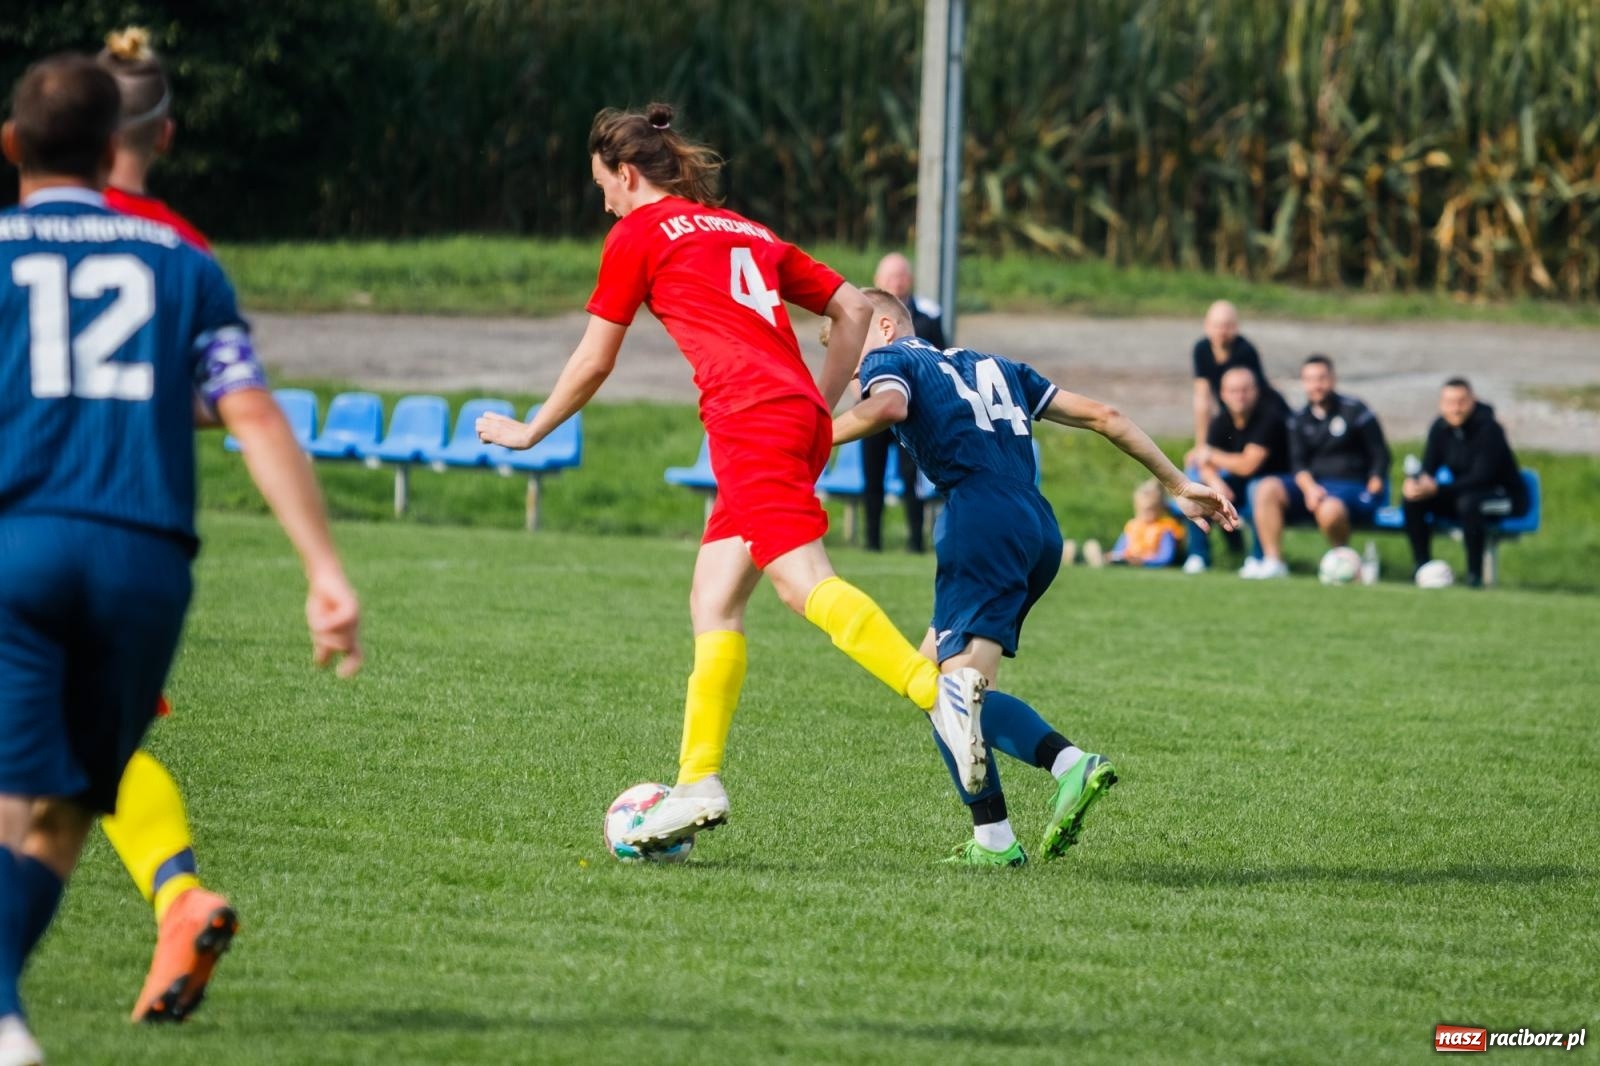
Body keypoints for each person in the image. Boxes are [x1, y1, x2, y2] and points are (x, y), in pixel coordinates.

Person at [475, 103, 984, 853]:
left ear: (624, 173)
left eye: (602, 186)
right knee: (713, 597)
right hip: (791, 416)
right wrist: (821, 396)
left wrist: (531, 428)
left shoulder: (637, 234)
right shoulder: (744, 228)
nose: (604, 202)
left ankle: (936, 692)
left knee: (799, 581)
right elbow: (851, 308)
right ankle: (698, 781)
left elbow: (594, 360)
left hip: (749, 417)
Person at [0, 54, 362, 1064]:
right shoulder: (183, 258)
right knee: (71, 805)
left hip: (20, 538)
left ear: (14, 145)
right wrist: (324, 570)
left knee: (11, 797)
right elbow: (243, 405)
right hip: (142, 555)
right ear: (147, 140)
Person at [832, 288, 1238, 865]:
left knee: (957, 697)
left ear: (887, 328)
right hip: (1036, 525)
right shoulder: (995, 365)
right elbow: (1107, 416)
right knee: (927, 680)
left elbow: (887, 408)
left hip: (979, 519)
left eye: (848, 348)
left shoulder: (888, 360)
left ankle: (1065, 770)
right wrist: (1177, 484)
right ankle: (994, 835)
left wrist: (807, 440)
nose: (851, 369)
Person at [93, 26, 239, 1024]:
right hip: (142, 535)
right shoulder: (186, 248)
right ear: (167, 133)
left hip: (27, 519)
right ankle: (180, 896)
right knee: (88, 749)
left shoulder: (27, 228)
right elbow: (222, 398)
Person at [1250, 355, 1390, 579]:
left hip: (1352, 487)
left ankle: (1343, 563)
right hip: (1316, 488)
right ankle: (1274, 562)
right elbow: (1298, 463)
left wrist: (1376, 478)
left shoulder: (1355, 410)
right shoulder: (1298, 419)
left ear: (1332, 379)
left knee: (1329, 510)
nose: (1317, 385)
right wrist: (1310, 489)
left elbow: (1380, 453)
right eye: (1310, 379)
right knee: (1266, 487)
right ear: (1304, 383)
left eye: (1322, 378)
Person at [1403, 378, 1528, 588]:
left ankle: (1474, 576)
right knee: (1414, 500)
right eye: (1450, 403)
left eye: (1461, 402)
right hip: (1462, 495)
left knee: (1470, 504)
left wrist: (1438, 489)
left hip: (1503, 497)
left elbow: (1482, 477)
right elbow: (1428, 468)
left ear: (1473, 401)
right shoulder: (1439, 428)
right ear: (1441, 404)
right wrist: (1417, 484)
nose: (1456, 409)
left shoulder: (1489, 429)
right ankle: (1422, 567)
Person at [859, 252, 943, 552]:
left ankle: (916, 542)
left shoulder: (928, 317)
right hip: (874, 407)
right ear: (877, 280)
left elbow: (939, 360)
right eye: (891, 276)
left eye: (902, 275)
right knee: (872, 477)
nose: (898, 281)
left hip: (913, 412)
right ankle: (872, 542)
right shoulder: (861, 315)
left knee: (912, 477)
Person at [1184, 366, 1290, 574]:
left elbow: (1247, 465)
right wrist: (1215, 482)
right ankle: (1197, 556)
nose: (1239, 396)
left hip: (1273, 484)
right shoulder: (1221, 421)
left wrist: (1212, 454)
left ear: (1256, 391)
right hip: (1234, 484)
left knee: (1257, 489)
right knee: (1196, 483)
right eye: (1233, 391)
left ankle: (1258, 559)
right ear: (1223, 394)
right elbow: (1202, 463)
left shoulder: (1269, 418)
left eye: (1245, 390)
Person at [1188, 300, 1285, 463]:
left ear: (1236, 327)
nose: (1222, 331)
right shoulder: (1201, 350)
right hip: (1235, 413)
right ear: (1207, 326)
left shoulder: (1245, 351)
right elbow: (1202, 399)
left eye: (1227, 326)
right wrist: (1201, 445)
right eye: (1217, 325)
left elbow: (1252, 394)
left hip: (1258, 413)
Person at [1109, 480, 1186, 567]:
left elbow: (1166, 557)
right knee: (1112, 556)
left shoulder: (1165, 528)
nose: (1145, 514)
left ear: (1160, 509)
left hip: (1148, 561)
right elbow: (1119, 549)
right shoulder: (1132, 526)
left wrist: (1143, 561)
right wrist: (1117, 557)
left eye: (1149, 510)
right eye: (1141, 510)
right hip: (1129, 559)